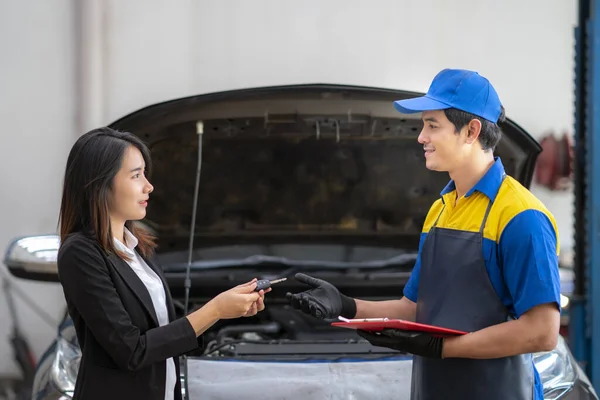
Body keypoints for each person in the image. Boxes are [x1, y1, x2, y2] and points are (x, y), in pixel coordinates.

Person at [286, 68, 561, 400]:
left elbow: (542, 332)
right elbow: (416, 308)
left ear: (471, 131)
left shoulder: (521, 217)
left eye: (433, 126)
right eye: (423, 126)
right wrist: (346, 305)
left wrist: (443, 349)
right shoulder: (441, 209)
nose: (421, 137)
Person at [56, 127, 268, 400]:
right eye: (136, 175)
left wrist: (228, 311)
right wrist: (215, 310)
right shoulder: (80, 253)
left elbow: (165, 332)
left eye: (145, 173)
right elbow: (132, 351)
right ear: (100, 184)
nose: (149, 186)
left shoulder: (139, 247)